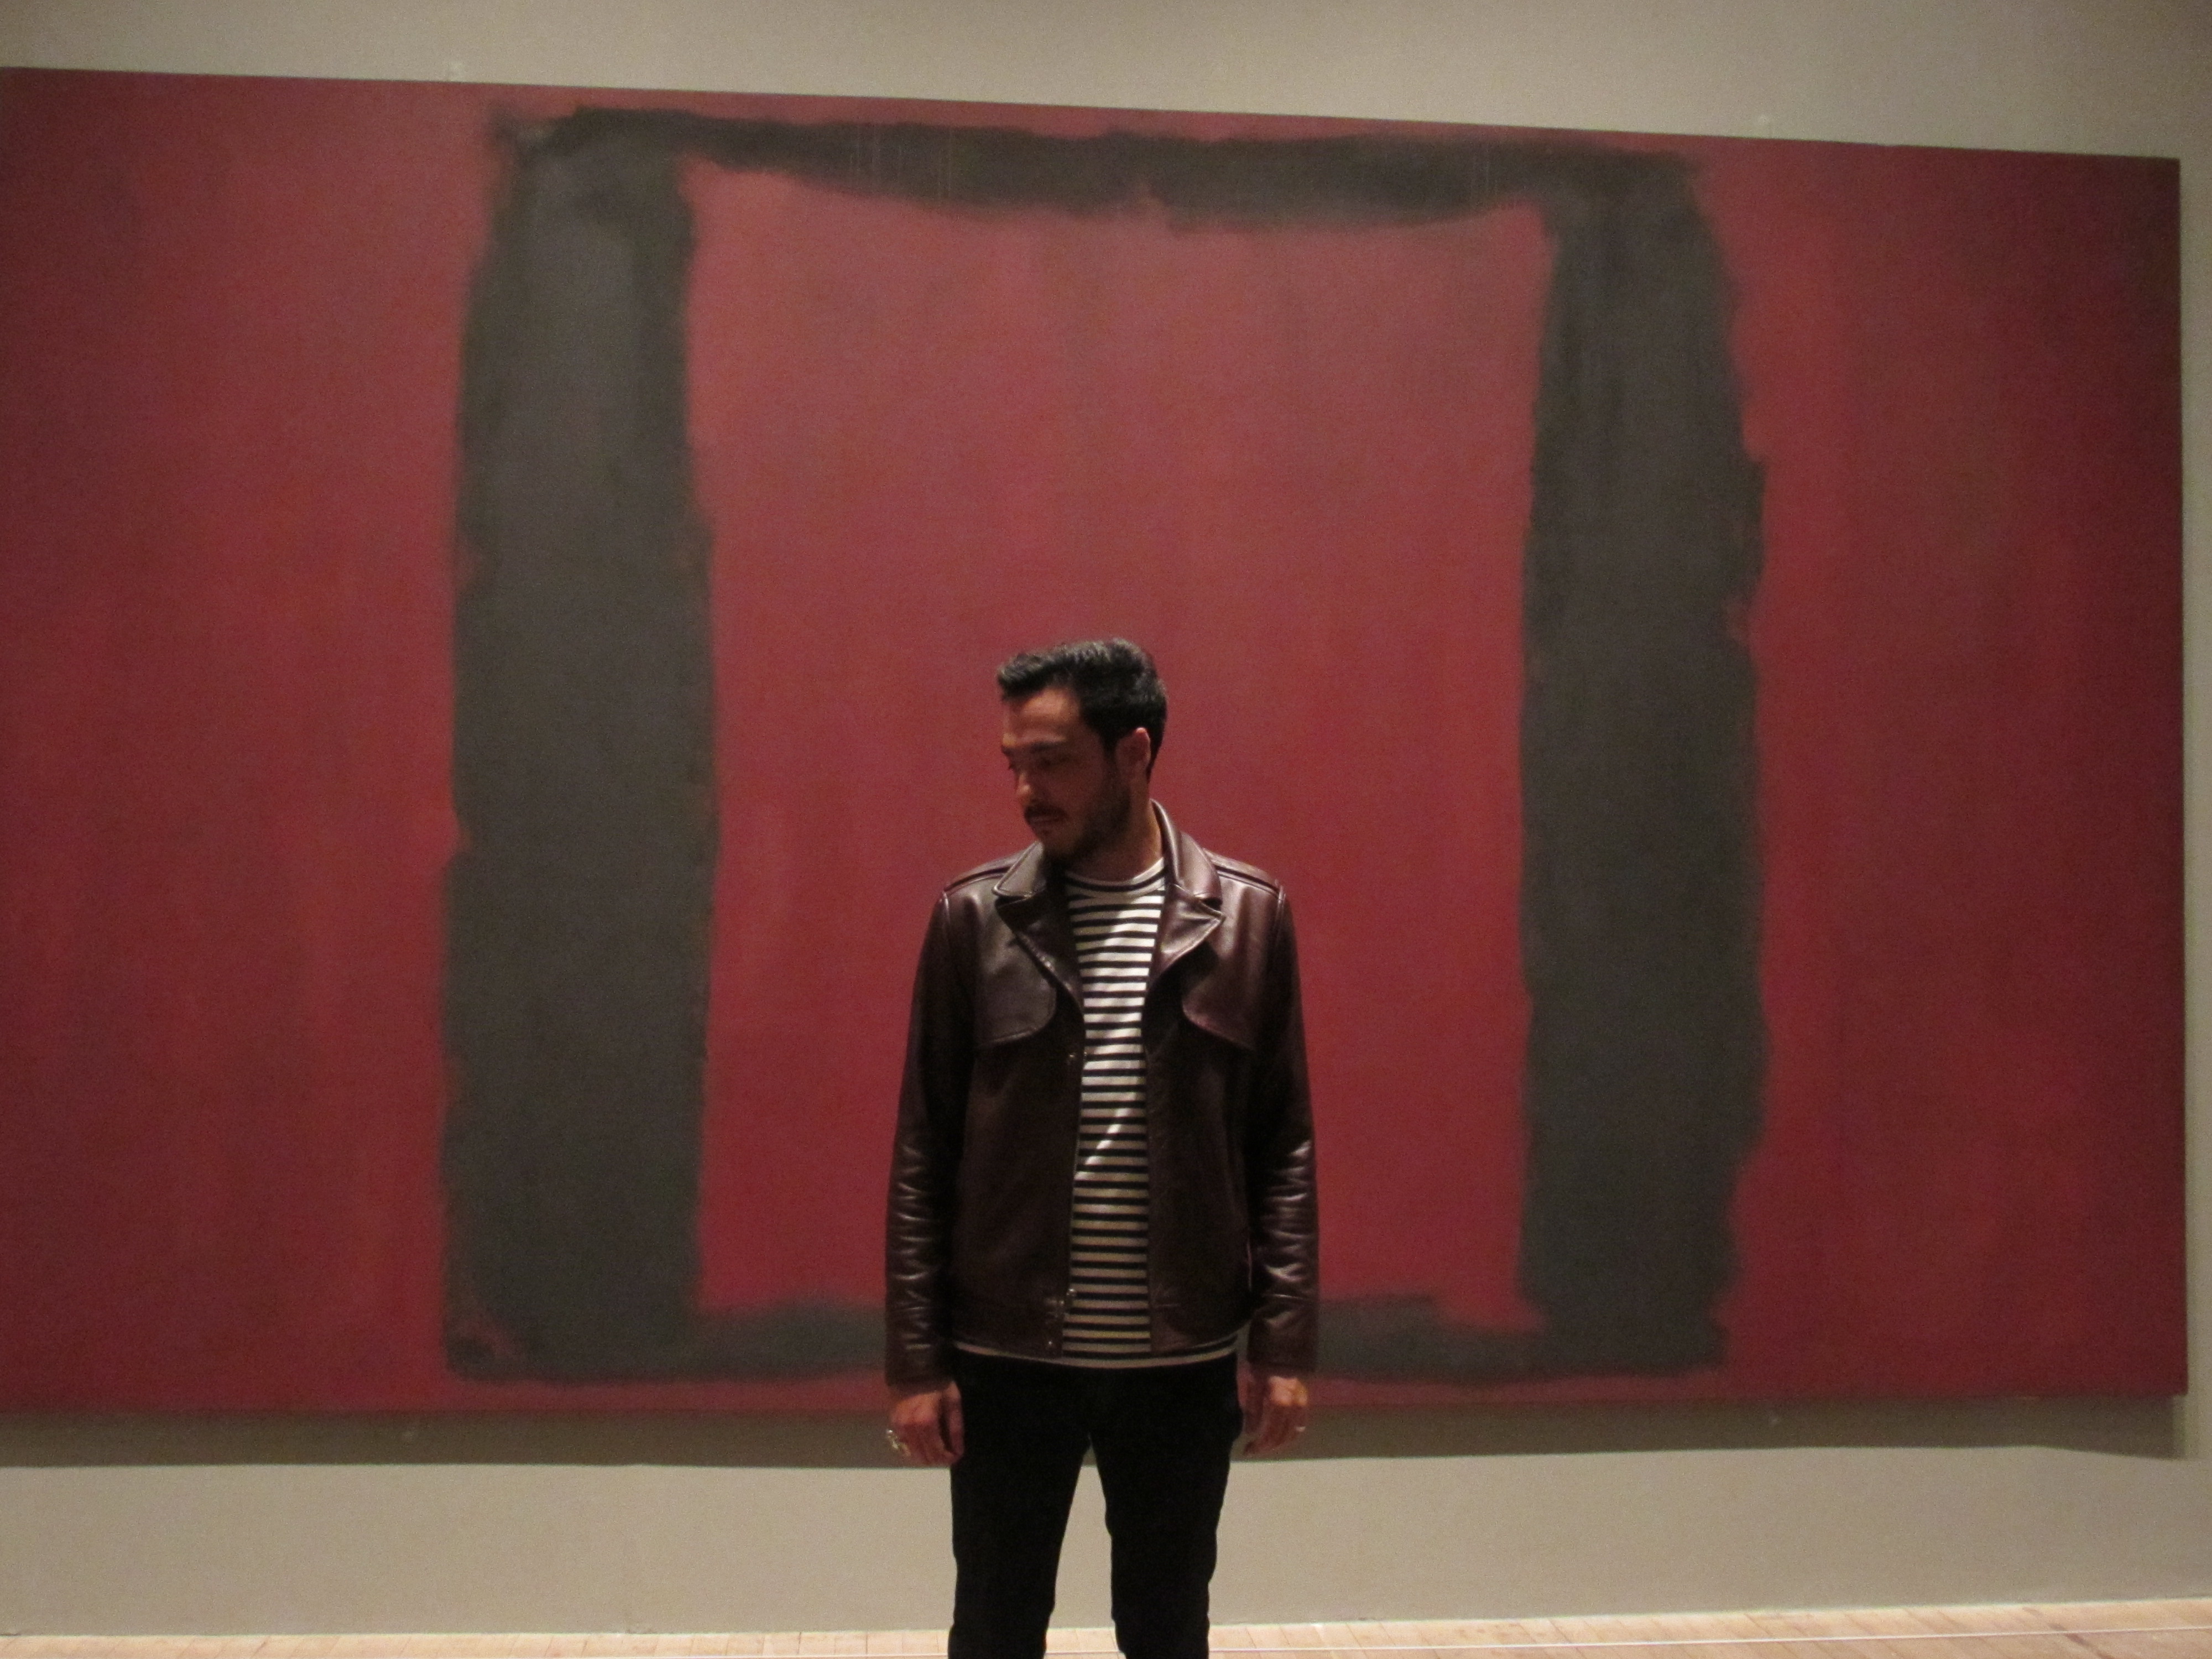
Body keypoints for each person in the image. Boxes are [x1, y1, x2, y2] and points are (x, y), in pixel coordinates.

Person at [885, 638, 1319, 1659]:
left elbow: (1284, 1146)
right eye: (1015, 765)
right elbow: (922, 1154)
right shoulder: (973, 920)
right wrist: (916, 1361)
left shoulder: (1247, 918)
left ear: (1134, 752)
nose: (1027, 792)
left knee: (1168, 1630)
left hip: (1183, 1360)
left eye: (1053, 762)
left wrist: (1283, 1344)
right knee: (994, 1629)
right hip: (1006, 1358)